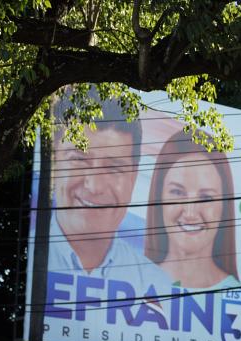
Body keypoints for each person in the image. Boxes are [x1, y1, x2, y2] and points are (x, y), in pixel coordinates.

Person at [50, 89, 168, 291]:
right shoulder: (25, 255)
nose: (95, 187)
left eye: (114, 167)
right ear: (53, 162)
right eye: (78, 159)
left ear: (133, 178)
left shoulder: (156, 286)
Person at [144, 131, 239, 289]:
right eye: (177, 192)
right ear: (158, 197)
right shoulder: (127, 288)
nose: (190, 213)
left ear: (224, 207)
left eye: (206, 197)